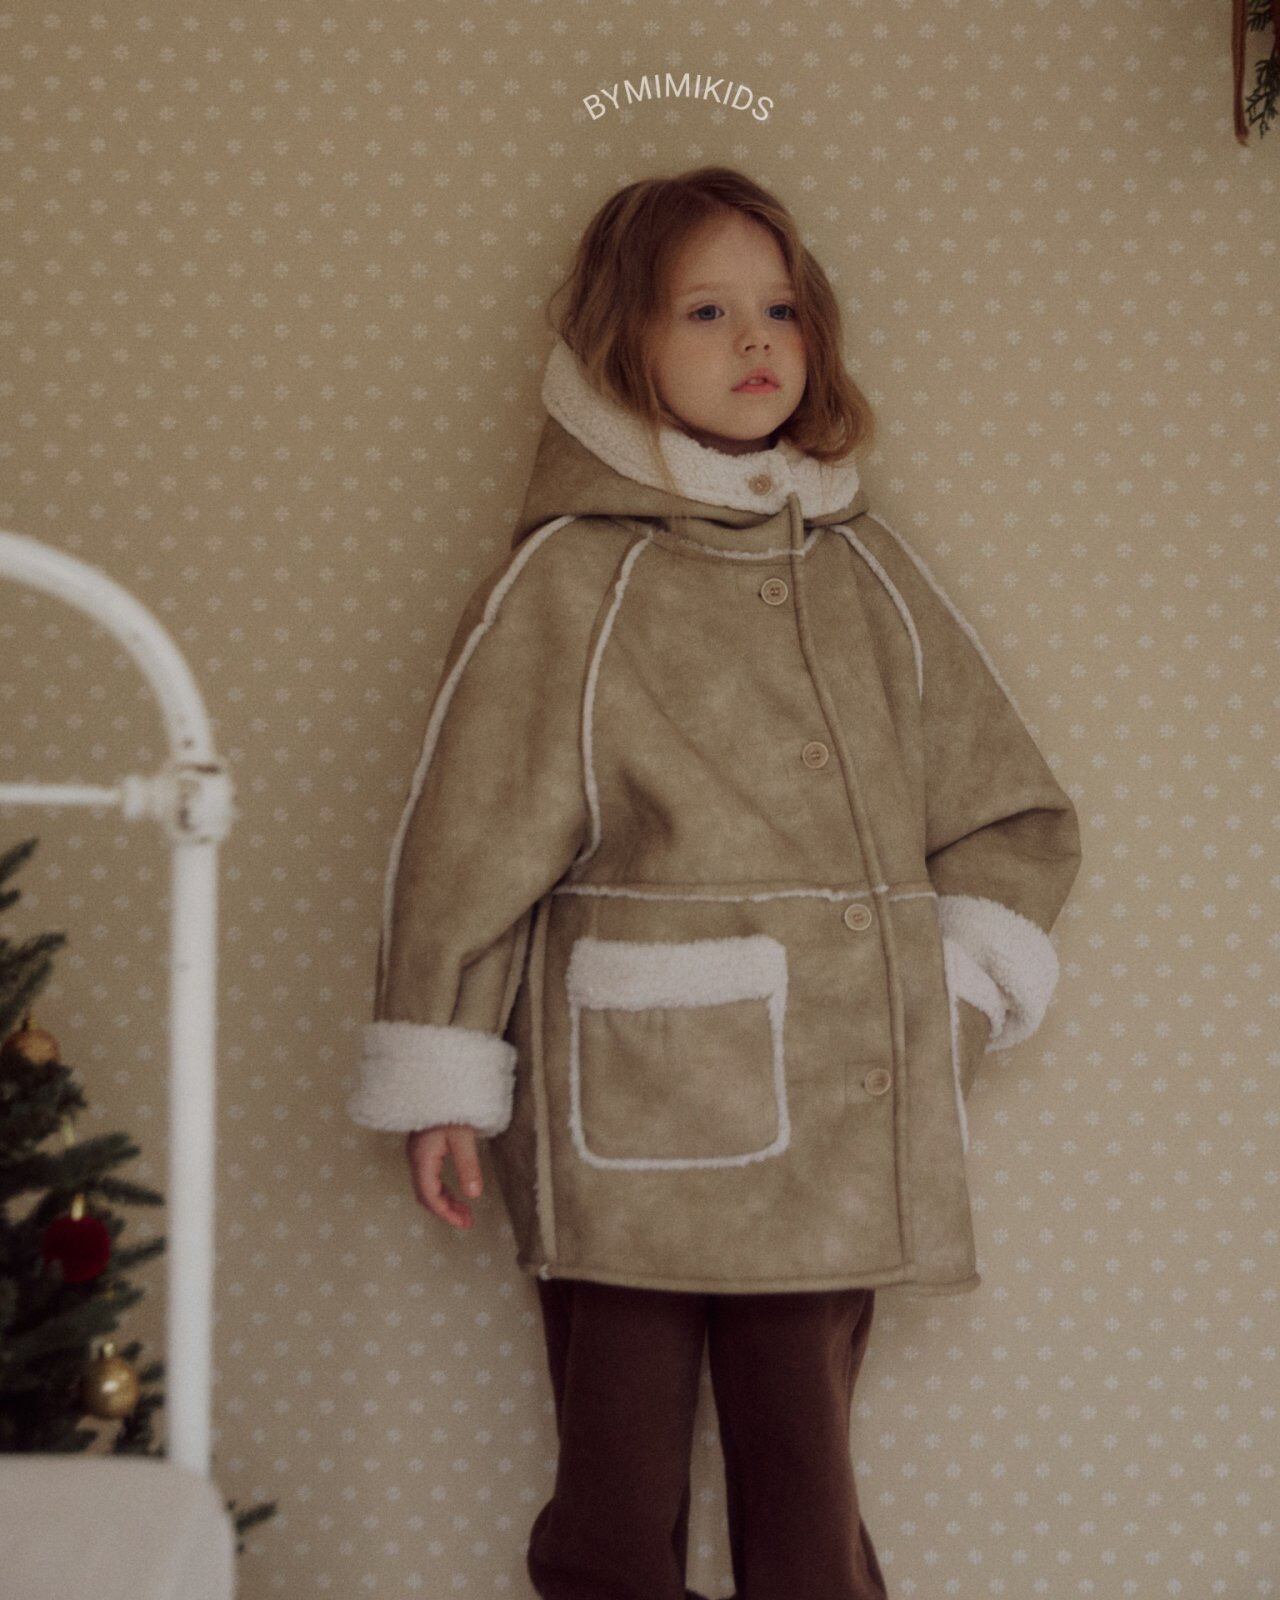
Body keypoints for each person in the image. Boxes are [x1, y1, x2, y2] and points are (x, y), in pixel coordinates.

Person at [347, 165, 1082, 1599]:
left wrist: (949, 987)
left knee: (806, 1493)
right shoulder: (573, 578)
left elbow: (1014, 812)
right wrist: (440, 1062)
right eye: (705, 310)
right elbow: (471, 835)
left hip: (833, 1118)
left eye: (781, 309)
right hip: (623, 1112)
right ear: (620, 346)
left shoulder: (868, 575)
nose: (756, 339)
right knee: (613, 1499)